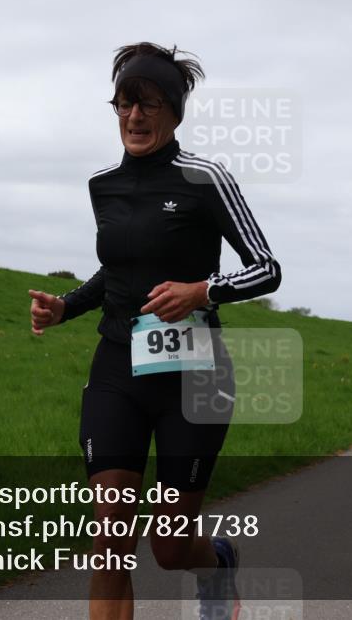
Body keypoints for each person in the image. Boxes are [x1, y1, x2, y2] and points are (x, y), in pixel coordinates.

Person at [28, 42, 281, 620]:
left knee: (169, 548)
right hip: (117, 368)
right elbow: (117, 272)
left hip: (194, 378)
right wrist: (66, 307)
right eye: (124, 103)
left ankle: (217, 565)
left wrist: (203, 290)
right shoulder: (102, 185)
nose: (135, 117)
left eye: (148, 104)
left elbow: (267, 267)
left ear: (172, 111)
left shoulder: (205, 177)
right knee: (110, 544)